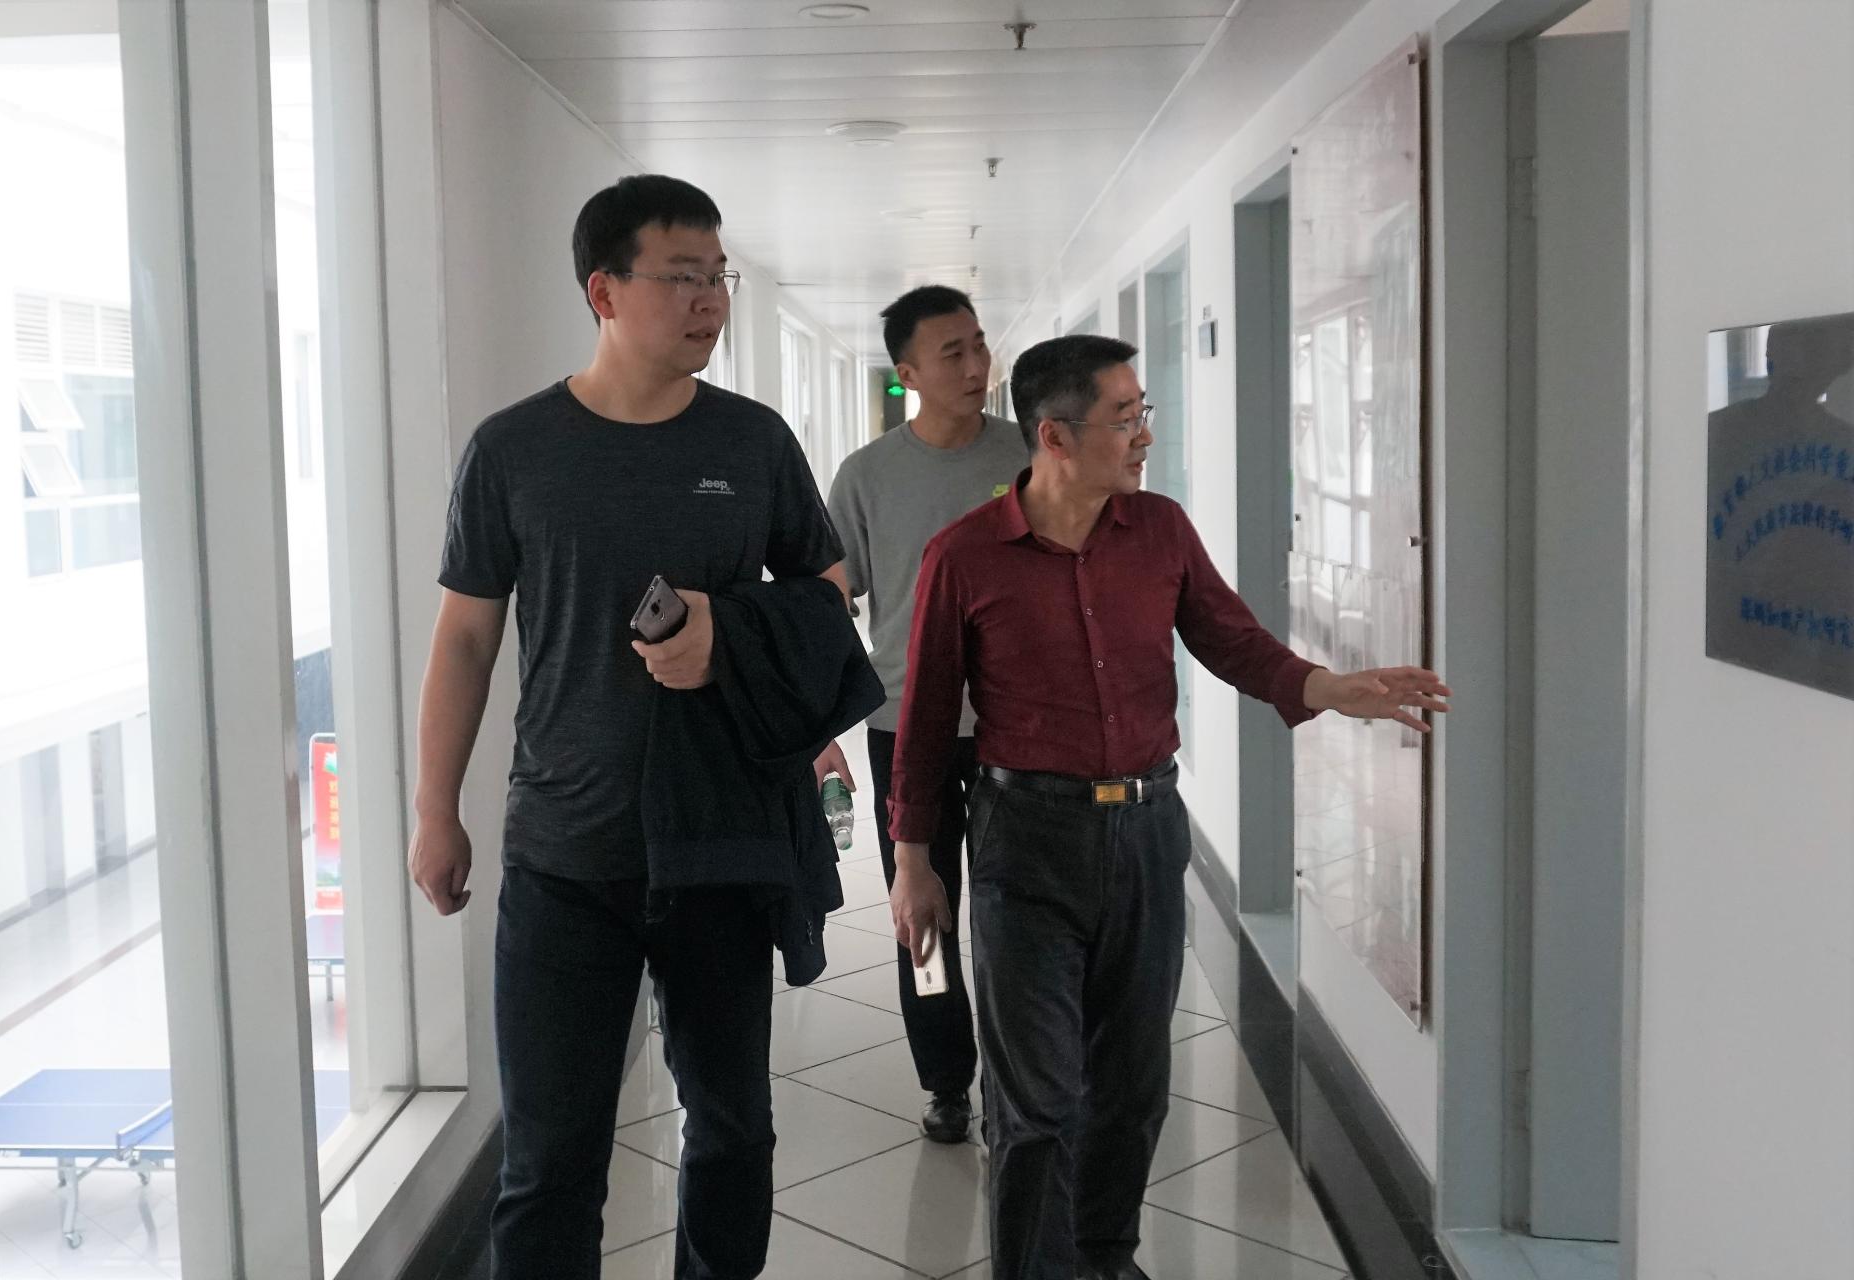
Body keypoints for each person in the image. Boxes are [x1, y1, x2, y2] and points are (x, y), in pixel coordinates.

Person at [885, 335, 1450, 1280]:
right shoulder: (966, 557)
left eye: (1143, 412)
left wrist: (1328, 687)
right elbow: (928, 715)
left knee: (1133, 1085)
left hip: (1146, 831)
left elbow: (1233, 641)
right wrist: (913, 862)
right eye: (1126, 418)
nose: (1145, 434)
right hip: (1026, 840)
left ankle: (1104, 1259)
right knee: (1037, 1102)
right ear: (1054, 436)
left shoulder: (1161, 531)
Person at [406, 174, 854, 1280]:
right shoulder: (513, 448)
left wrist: (725, 631)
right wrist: (435, 808)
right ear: (603, 290)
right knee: (550, 1159)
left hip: (719, 839)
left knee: (733, 1129)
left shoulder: (752, 441)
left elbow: (829, 587)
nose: (710, 300)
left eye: (719, 278)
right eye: (682, 276)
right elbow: (465, 639)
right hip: (566, 850)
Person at [823, 285, 1028, 1142]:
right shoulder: (868, 476)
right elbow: (831, 595)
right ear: (907, 375)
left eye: (980, 345)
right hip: (907, 728)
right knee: (926, 913)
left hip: (1021, 727)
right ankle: (945, 1079)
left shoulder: (1030, 454)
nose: (977, 365)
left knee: (1020, 916)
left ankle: (1024, 1081)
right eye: (954, 353)